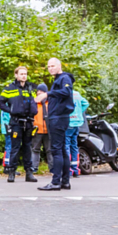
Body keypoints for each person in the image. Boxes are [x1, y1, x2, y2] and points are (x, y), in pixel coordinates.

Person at [0, 65, 38, 183]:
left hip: (29, 122)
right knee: (15, 148)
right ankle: (11, 172)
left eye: (25, 74)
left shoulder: (30, 88)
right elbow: (0, 102)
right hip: (16, 122)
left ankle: (29, 173)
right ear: (16, 75)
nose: (24, 76)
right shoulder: (10, 88)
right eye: (21, 74)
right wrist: (11, 111)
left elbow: (34, 102)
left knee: (27, 148)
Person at [39, 58, 74, 191]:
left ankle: (55, 182)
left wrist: (47, 94)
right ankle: (65, 181)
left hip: (58, 118)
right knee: (62, 150)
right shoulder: (58, 79)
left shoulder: (64, 78)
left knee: (56, 150)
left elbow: (66, 92)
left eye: (53, 66)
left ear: (59, 66)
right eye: (48, 66)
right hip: (59, 117)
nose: (50, 68)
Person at [67, 90, 90, 177]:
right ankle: (75, 169)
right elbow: (86, 103)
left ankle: (68, 170)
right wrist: (79, 112)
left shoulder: (64, 93)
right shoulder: (76, 93)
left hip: (68, 122)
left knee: (66, 145)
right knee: (74, 145)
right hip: (77, 122)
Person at [30, 84, 50, 173]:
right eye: (38, 91)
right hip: (37, 130)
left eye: (41, 91)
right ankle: (34, 167)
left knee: (50, 150)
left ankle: (52, 168)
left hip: (48, 130)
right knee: (35, 149)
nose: (39, 93)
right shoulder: (34, 103)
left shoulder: (50, 103)